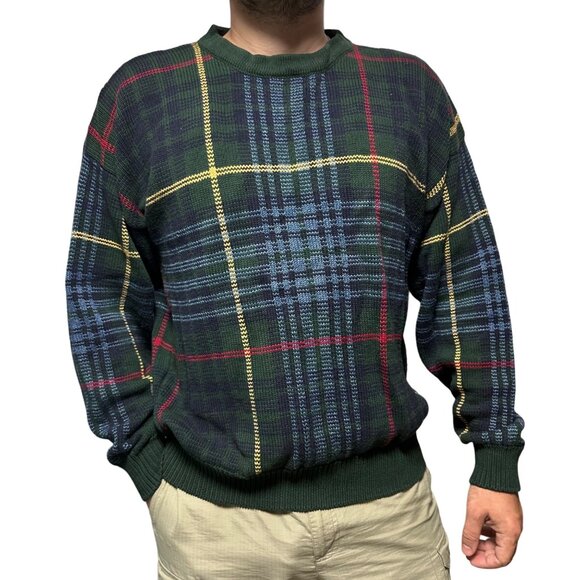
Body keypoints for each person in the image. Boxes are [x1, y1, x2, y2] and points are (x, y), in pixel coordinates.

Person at [64, 0, 525, 577]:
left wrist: (495, 457)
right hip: (213, 526)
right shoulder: (142, 98)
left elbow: (466, 282)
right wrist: (145, 462)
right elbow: (100, 293)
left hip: (389, 526)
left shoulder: (409, 91)